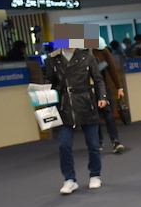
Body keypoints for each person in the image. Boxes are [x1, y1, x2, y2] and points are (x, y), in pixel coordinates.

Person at [44, 41, 108, 194]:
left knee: (93, 144)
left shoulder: (87, 56)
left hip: (86, 102)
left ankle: (95, 174)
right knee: (64, 145)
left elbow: (98, 79)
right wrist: (42, 95)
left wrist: (103, 97)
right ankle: (69, 179)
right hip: (65, 105)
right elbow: (49, 80)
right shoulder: (53, 59)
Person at [91, 46, 126, 153]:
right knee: (93, 117)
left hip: (104, 87)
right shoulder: (79, 52)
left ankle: (115, 141)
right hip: (88, 90)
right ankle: (98, 140)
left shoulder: (101, 49)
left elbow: (112, 69)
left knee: (109, 115)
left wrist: (119, 87)